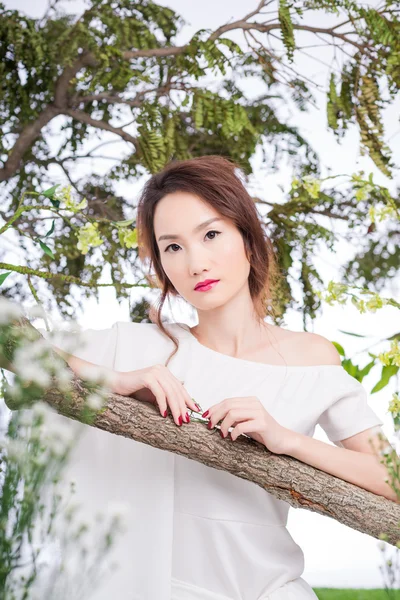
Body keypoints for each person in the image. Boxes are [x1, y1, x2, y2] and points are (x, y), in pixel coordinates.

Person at [35, 155, 385, 600]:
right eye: (173, 247)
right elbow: (16, 341)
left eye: (211, 234)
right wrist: (113, 379)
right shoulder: (141, 349)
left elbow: (390, 481)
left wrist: (287, 441)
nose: (195, 262)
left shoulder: (312, 357)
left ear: (248, 238)